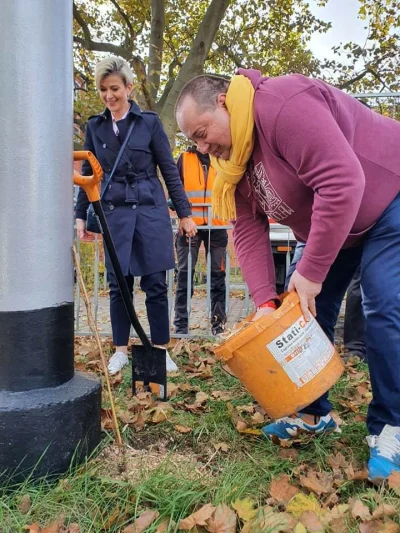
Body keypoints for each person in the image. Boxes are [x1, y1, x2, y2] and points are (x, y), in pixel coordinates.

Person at [174, 70, 400, 481]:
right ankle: (315, 415)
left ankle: (391, 426)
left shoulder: (281, 104)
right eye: (194, 141)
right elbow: (246, 227)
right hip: (336, 225)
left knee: (383, 306)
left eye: (203, 132)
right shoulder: (232, 163)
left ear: (224, 101)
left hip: (388, 198)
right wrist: (265, 303)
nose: (203, 148)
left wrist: (311, 273)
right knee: (300, 315)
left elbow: (342, 182)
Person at [75, 56, 196, 375]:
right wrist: (80, 215)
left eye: (114, 88)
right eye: (103, 89)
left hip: (149, 210)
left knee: (155, 283)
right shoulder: (95, 126)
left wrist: (184, 213)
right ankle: (120, 350)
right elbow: (87, 173)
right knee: (119, 285)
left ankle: (160, 349)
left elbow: (168, 169)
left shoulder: (150, 123)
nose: (108, 95)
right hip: (113, 212)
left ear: (128, 87)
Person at [173, 146, 228, 335]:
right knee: (184, 275)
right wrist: (182, 216)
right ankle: (180, 326)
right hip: (190, 226)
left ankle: (218, 325)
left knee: (218, 277)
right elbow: (175, 188)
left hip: (218, 225)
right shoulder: (184, 158)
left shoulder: (223, 156)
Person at [286, 243, 366, 361]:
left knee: (361, 282)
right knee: (295, 293)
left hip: (361, 232)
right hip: (310, 234)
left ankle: (355, 349)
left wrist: (311, 269)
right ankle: (311, 355)